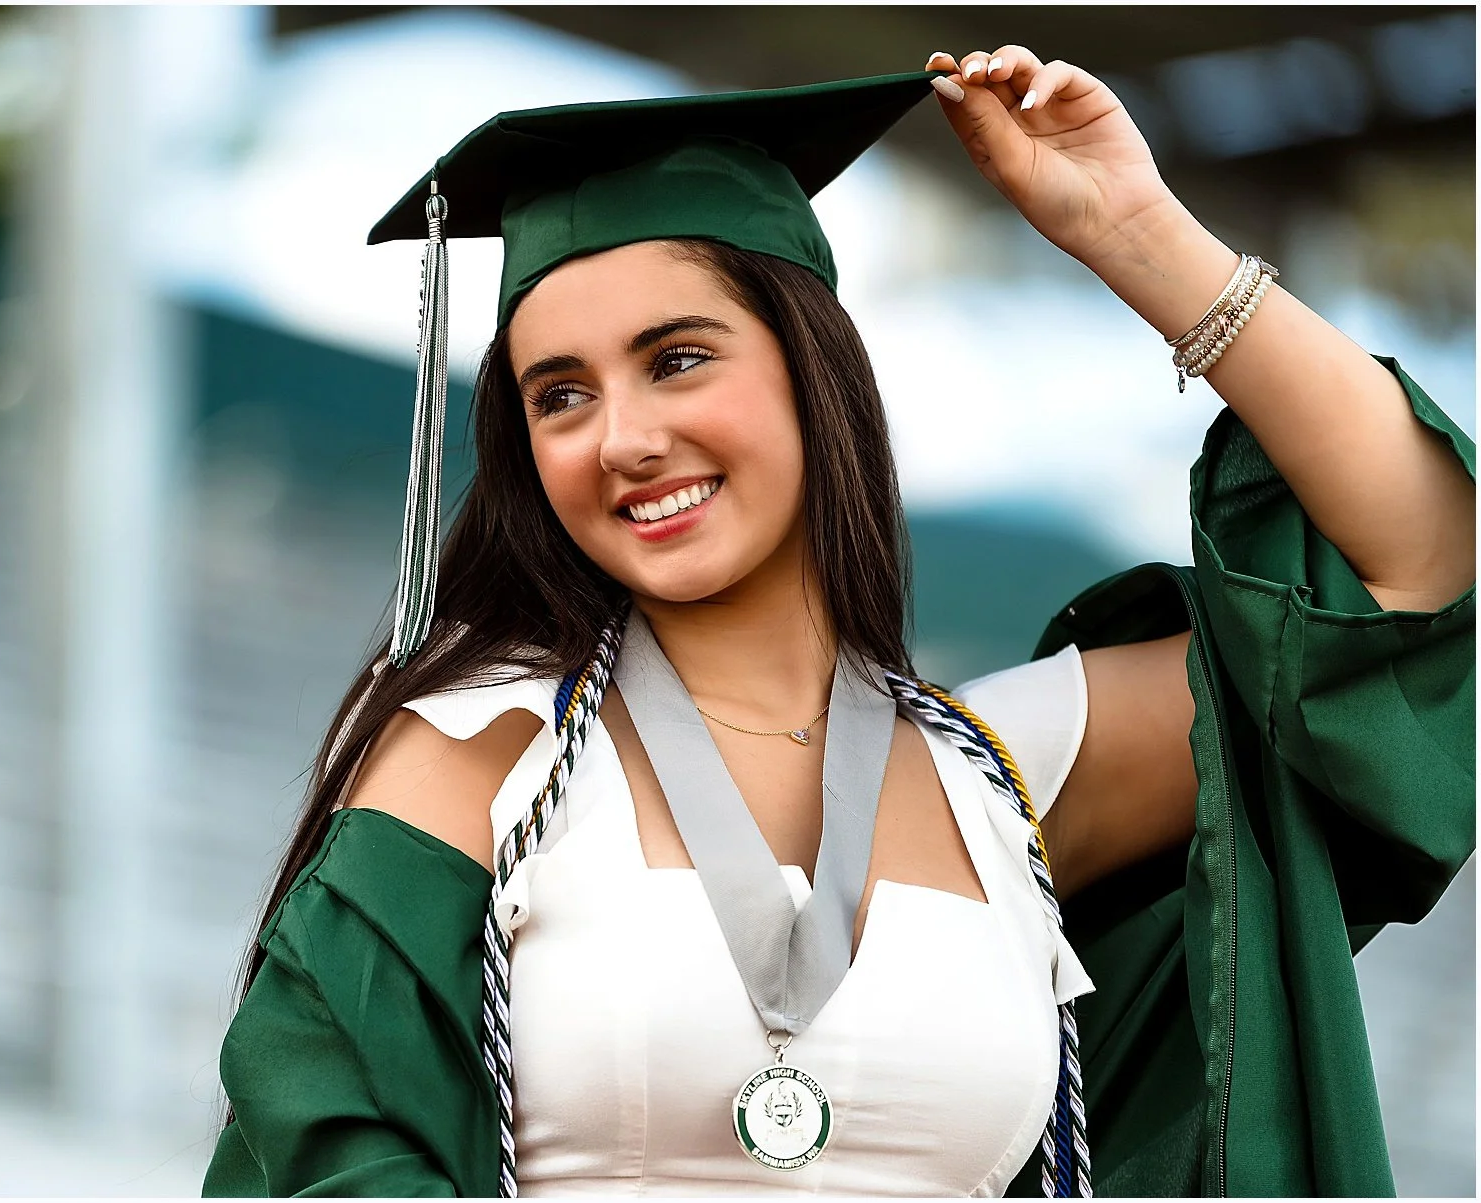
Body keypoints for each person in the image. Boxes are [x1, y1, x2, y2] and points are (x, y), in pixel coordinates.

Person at [203, 48, 1475, 1199]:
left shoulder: (1012, 778)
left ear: (813, 369)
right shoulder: (475, 754)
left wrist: (1140, 236)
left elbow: (1419, 586)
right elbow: (329, 1155)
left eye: (680, 357)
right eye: (561, 396)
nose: (626, 439)